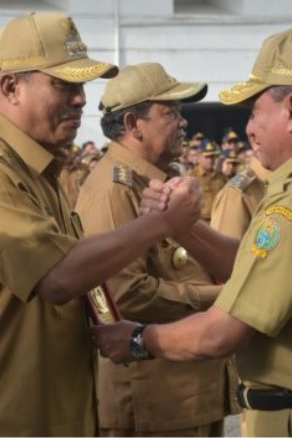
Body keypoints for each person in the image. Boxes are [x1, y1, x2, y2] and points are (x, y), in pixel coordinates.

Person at [92, 25, 292, 437]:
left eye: (256, 111)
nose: (250, 128)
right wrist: (185, 230)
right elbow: (264, 264)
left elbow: (220, 332)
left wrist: (136, 340)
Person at [0, 12, 202, 437]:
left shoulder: (35, 166)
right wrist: (161, 223)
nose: (80, 100)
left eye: (81, 86)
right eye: (63, 85)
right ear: (11, 86)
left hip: (49, 408)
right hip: (0, 418)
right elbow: (55, 277)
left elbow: (78, 272)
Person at [76, 62, 238, 437]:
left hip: (182, 393)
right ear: (134, 124)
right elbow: (123, 293)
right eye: (171, 111)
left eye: (181, 111)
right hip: (153, 402)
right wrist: (221, 298)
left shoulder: (155, 181)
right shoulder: (115, 189)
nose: (183, 121)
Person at [210, 154, 270, 241]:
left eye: (234, 164)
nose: (231, 167)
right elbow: (225, 250)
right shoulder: (237, 192)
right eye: (229, 163)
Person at [189, 138, 227, 222]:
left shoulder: (221, 177)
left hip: (218, 220)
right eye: (207, 157)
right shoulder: (191, 177)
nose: (210, 160)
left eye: (212, 157)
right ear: (198, 157)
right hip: (200, 222)